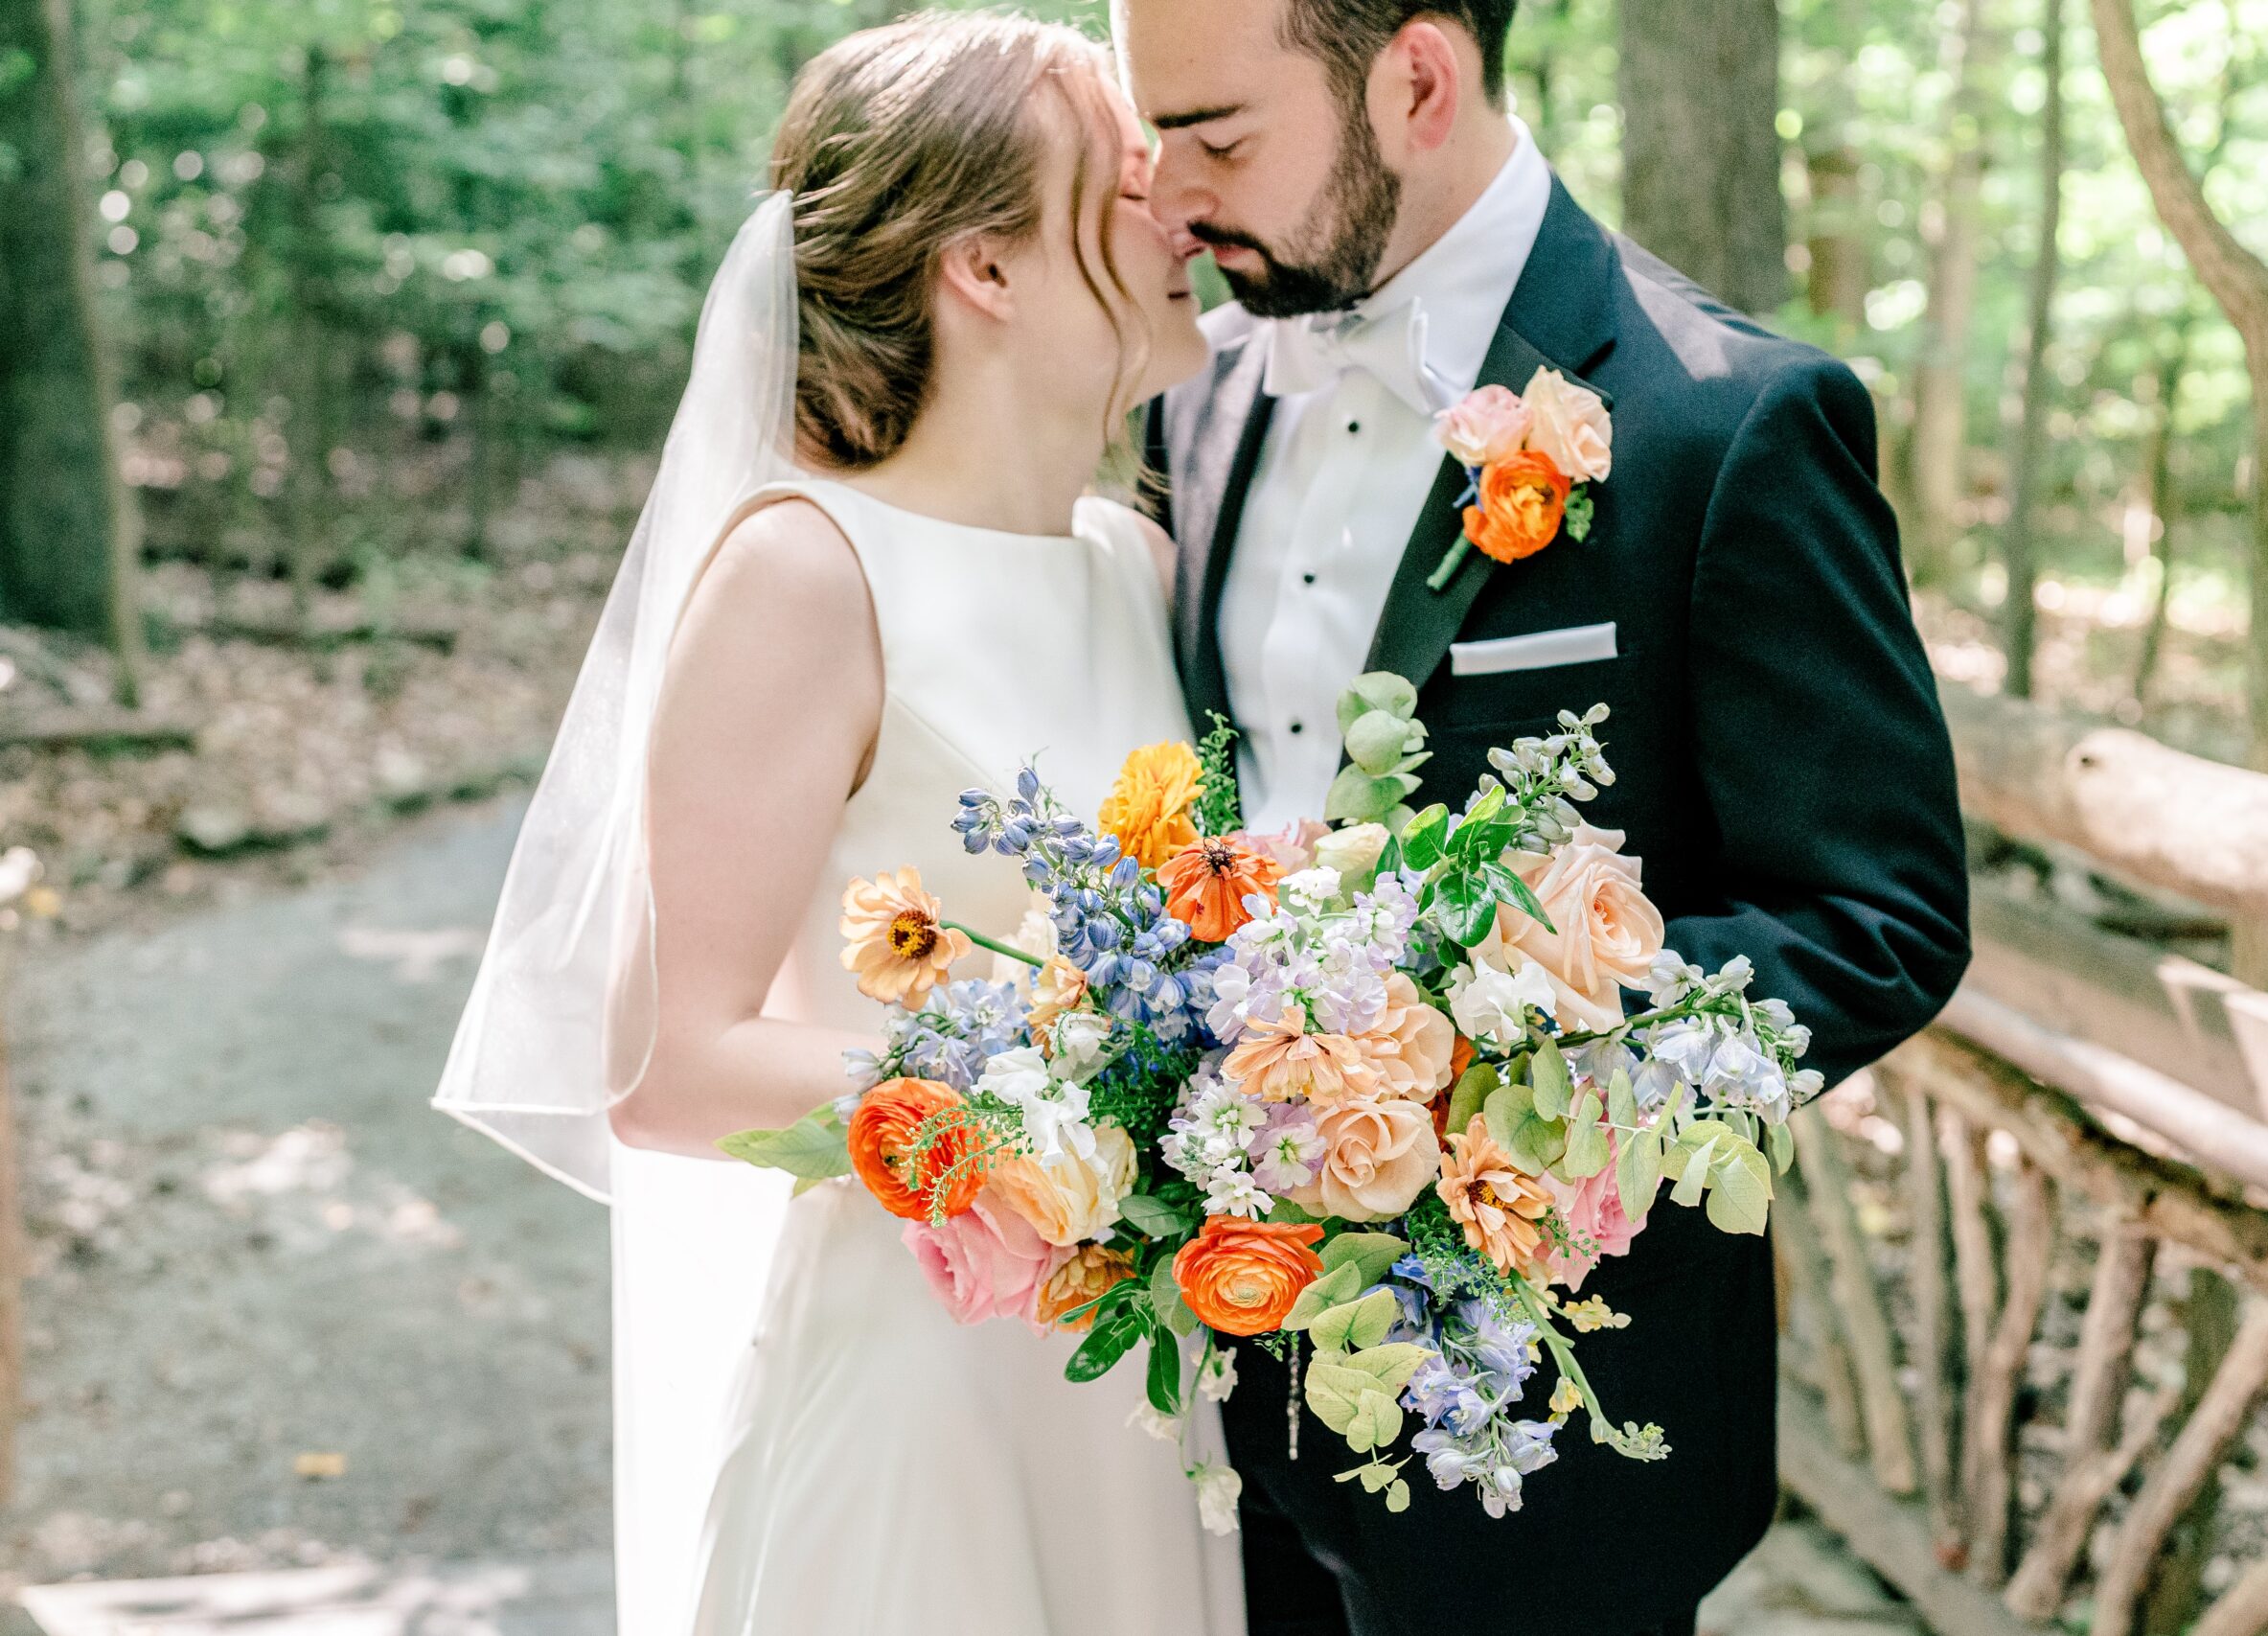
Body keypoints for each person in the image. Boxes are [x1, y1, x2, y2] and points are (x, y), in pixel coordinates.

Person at [1114, 1, 1973, 1632]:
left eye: (1218, 139)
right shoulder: (1200, 391)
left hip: (1554, 1432)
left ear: (1418, 81)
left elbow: (1882, 920)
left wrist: (1484, 1064)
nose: (1168, 197)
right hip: (1218, 1398)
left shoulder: (1724, 419)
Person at [434, 15, 1244, 1634]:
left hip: (1136, 1392)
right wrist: (1080, 1087)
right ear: (986, 270)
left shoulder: (1130, 566)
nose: (1181, 222)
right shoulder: (808, 570)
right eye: (1123, 185)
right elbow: (671, 1067)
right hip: (922, 1391)